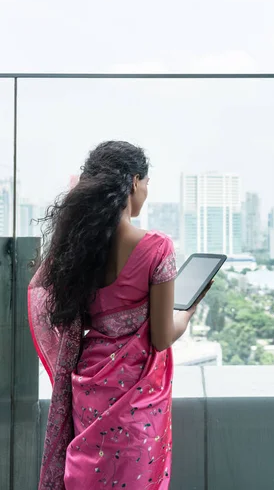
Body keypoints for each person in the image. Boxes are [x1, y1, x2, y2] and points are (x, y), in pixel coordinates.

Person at [28, 141, 209, 490]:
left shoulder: (81, 245)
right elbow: (160, 337)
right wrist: (187, 313)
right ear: (135, 181)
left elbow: (43, 292)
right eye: (147, 184)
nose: (146, 192)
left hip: (90, 388)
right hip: (137, 399)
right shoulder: (157, 247)